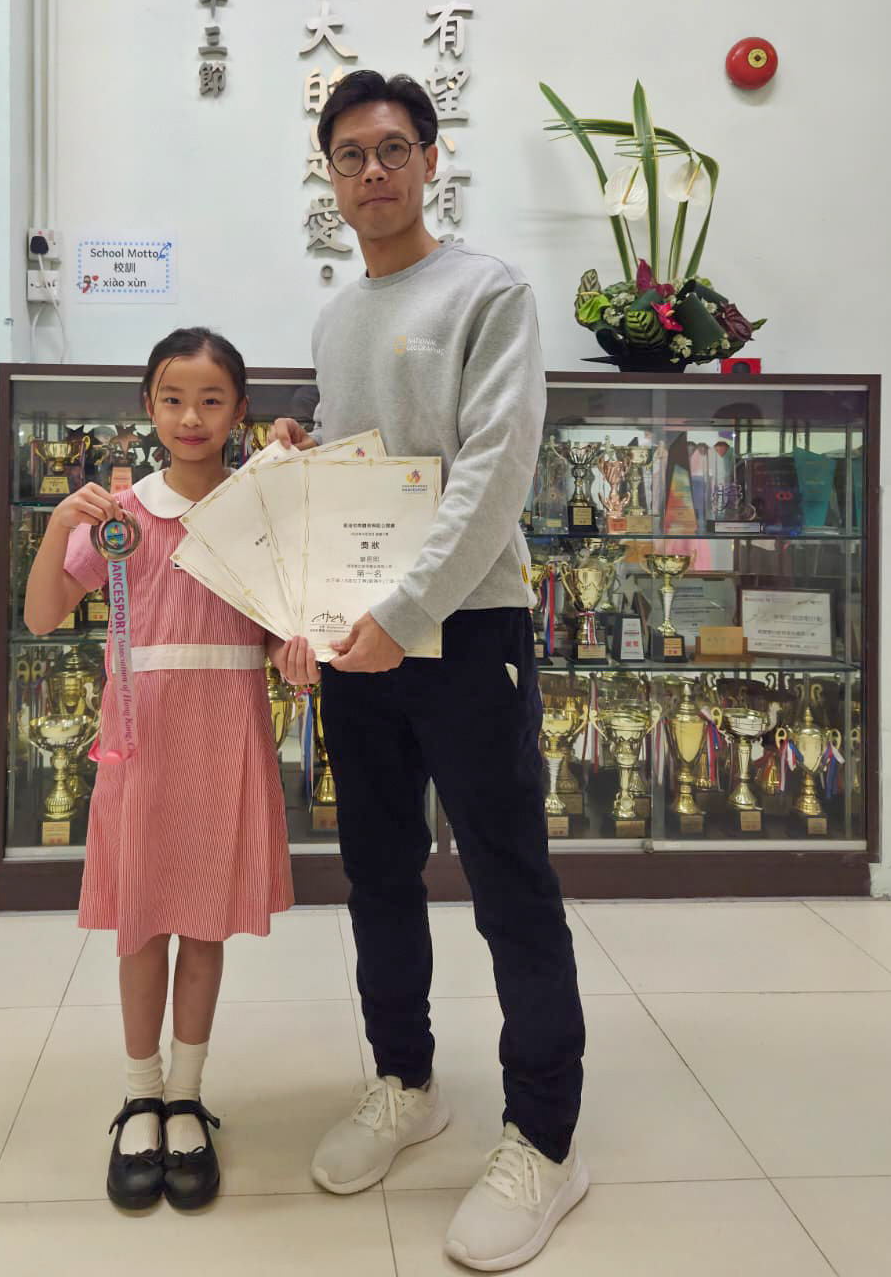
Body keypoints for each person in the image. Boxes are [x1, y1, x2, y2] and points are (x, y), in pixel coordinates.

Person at [273, 71, 588, 1271]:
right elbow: (374, 462)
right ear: (330, 175)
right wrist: (304, 445)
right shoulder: (338, 315)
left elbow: (495, 471)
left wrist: (406, 613)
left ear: (430, 159)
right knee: (377, 871)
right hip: (363, 639)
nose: (372, 172)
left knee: (510, 881)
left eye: (392, 148)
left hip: (468, 631)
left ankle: (546, 1137)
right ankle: (406, 1079)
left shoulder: (488, 291)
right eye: (350, 154)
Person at [24, 326, 312, 1213]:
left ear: (240, 411)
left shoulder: (256, 510)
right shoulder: (120, 515)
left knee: (204, 923)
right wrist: (57, 528)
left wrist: (299, 653)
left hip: (227, 730)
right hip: (142, 734)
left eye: (211, 400)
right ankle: (140, 1095)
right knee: (143, 923)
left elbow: (280, 632)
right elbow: (42, 616)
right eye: (174, 399)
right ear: (148, 407)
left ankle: (187, 1097)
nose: (192, 417)